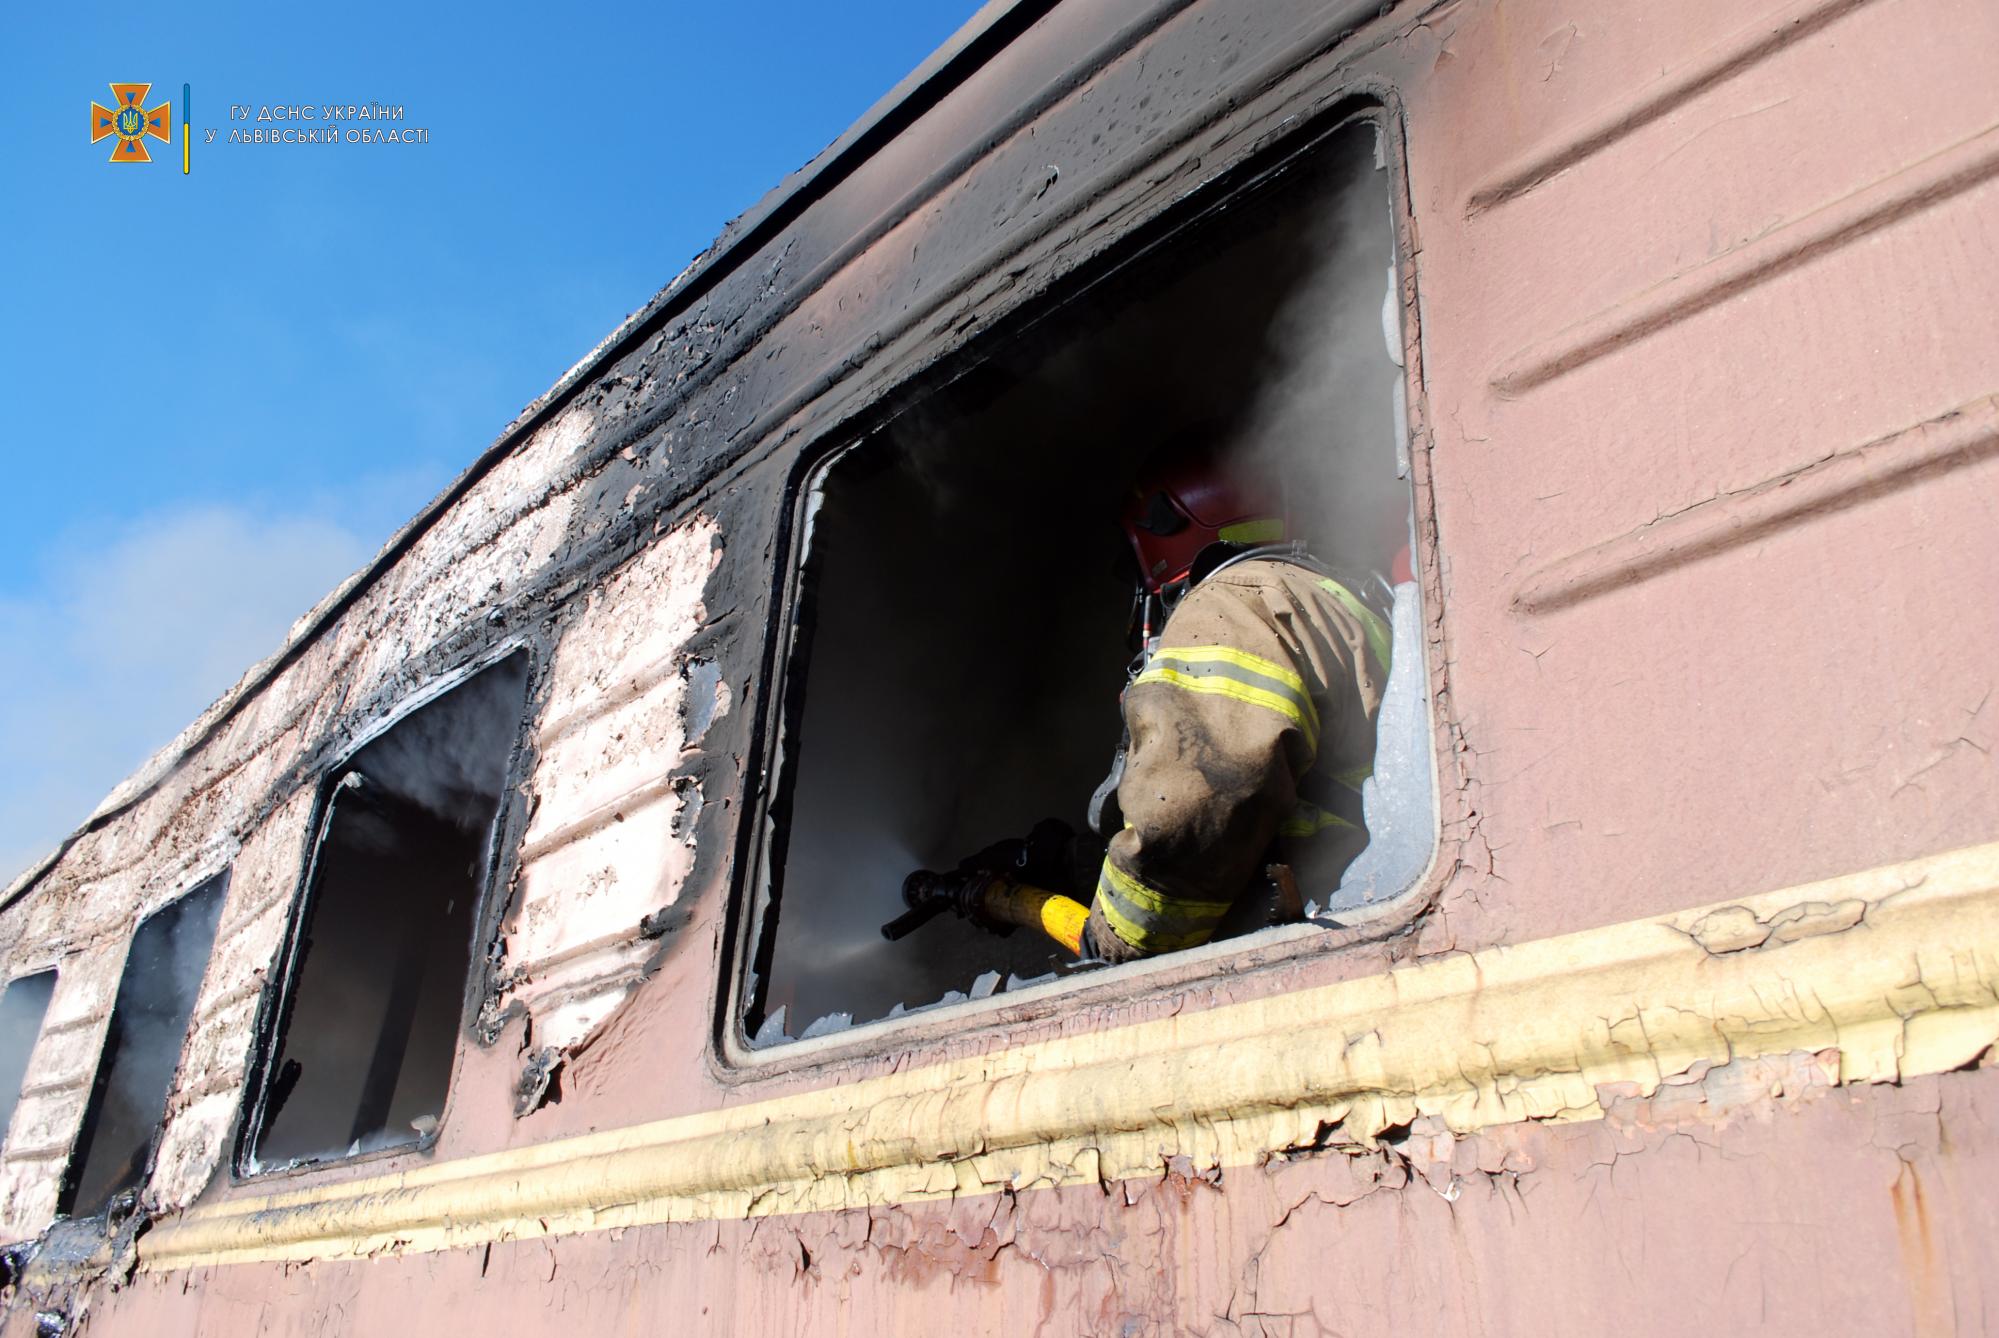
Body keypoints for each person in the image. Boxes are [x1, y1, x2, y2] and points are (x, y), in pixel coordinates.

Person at [1081, 445, 1394, 962]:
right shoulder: (1329, 599)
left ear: (1169, 536)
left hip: (1315, 940)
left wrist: (1120, 937)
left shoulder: (1233, 604)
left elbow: (1197, 801)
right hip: (1358, 913)